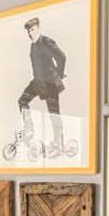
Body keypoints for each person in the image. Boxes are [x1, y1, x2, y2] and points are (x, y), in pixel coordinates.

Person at [18, 17, 67, 150]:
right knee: (22, 101)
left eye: (32, 29)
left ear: (38, 28)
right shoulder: (33, 45)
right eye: (28, 31)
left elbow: (62, 57)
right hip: (38, 82)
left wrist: (58, 74)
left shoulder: (46, 41)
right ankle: (29, 130)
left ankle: (59, 143)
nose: (30, 33)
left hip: (50, 83)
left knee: (53, 114)